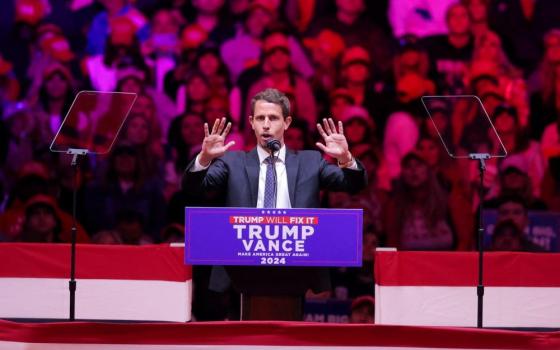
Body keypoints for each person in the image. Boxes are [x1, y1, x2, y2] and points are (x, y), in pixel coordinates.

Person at [182, 88, 367, 320]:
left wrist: (346, 159)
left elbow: (353, 184)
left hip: (296, 269)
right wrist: (204, 159)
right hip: (242, 272)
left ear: (287, 122)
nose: (266, 125)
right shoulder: (233, 161)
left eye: (273, 118)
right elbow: (194, 188)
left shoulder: (310, 162)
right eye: (260, 118)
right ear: (251, 122)